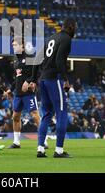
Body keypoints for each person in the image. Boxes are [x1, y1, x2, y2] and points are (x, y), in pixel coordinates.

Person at [29, 18, 77, 158]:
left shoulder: (51, 38)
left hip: (43, 80)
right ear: (71, 27)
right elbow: (59, 61)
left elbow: (37, 58)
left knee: (46, 114)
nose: (75, 30)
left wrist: (33, 79)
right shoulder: (66, 39)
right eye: (75, 27)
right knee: (61, 112)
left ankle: (40, 149)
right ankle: (59, 150)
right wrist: (66, 80)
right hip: (54, 79)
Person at [7, 37, 42, 149]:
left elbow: (37, 72)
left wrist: (32, 82)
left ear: (22, 46)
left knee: (35, 116)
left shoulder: (29, 57)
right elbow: (17, 78)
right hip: (18, 94)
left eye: (16, 45)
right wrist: (10, 89)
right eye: (13, 45)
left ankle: (43, 140)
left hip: (28, 94)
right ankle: (16, 142)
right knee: (15, 117)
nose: (14, 47)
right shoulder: (16, 61)